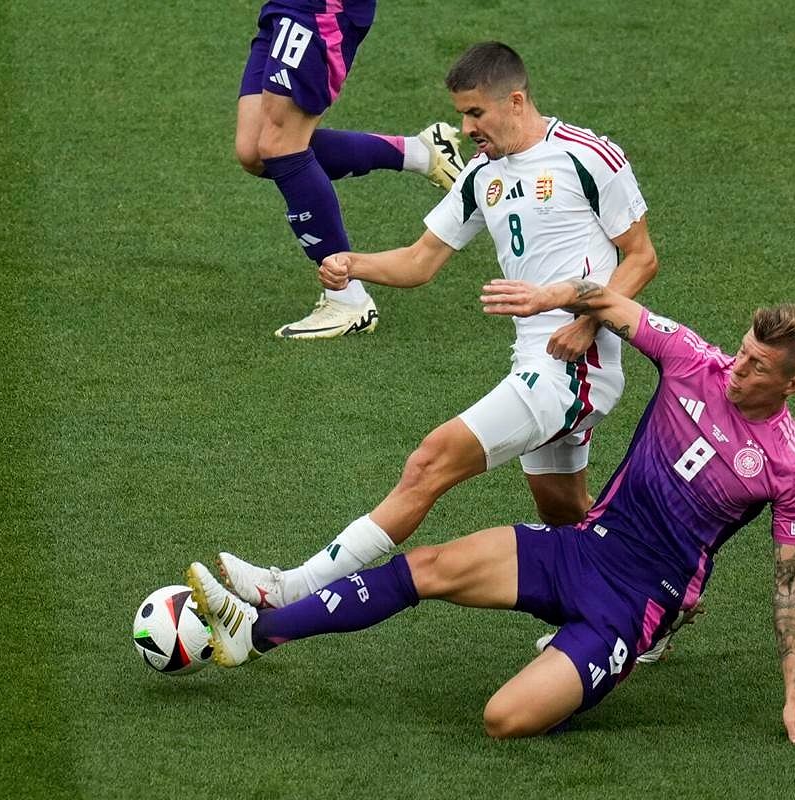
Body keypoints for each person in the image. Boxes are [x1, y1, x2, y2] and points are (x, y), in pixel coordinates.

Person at [185, 279, 795, 744]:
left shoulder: (792, 467)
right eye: (741, 351)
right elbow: (611, 299)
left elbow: (792, 583)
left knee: (504, 720)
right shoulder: (693, 362)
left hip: (637, 603)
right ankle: (254, 635)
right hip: (585, 548)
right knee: (428, 567)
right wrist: (550, 298)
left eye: (757, 367)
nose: (736, 369)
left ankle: (594, 657)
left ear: (793, 385)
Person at [214, 41, 659, 608]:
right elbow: (421, 260)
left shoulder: (587, 156)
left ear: (515, 101)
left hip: (573, 365)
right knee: (564, 512)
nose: (465, 125)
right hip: (536, 362)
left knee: (429, 462)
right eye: (461, 113)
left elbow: (641, 256)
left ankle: (290, 587)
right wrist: (355, 263)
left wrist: (589, 325)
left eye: (475, 112)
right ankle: (660, 601)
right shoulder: (481, 176)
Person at [237, 0, 468, 338]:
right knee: (254, 149)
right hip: (287, 6)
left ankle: (347, 298)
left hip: (316, 10)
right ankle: (421, 153)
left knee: (280, 144)